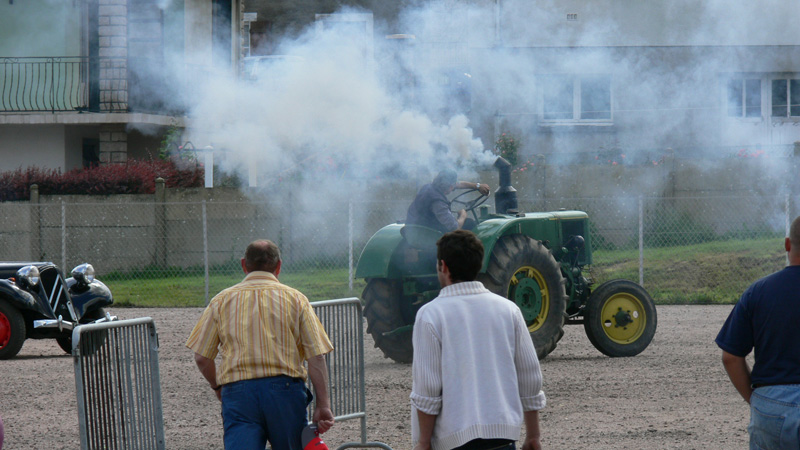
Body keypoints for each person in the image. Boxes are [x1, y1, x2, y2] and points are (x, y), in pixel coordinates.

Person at [186, 239, 335, 450]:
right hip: (285, 393)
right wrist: (323, 405)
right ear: (279, 266)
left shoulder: (221, 301)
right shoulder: (296, 299)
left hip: (239, 394)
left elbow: (202, 357)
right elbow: (316, 356)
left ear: (243, 264)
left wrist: (217, 386)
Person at [410, 230, 546, 450]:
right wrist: (533, 435)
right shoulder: (509, 310)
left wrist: (424, 442)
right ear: (478, 264)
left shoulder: (430, 315)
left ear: (443, 266)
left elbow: (428, 388)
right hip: (503, 439)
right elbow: (529, 375)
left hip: (452, 441)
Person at [716, 215, 800, 449]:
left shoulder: (757, 292)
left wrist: (756, 401)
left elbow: (730, 357)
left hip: (772, 405)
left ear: (787, 244)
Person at [406, 169, 490, 233]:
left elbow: (458, 184)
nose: (454, 187)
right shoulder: (438, 203)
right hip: (427, 234)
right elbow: (455, 228)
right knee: (469, 223)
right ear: (450, 187)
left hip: (415, 227)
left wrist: (477, 186)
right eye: (453, 186)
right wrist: (463, 215)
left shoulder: (429, 187)